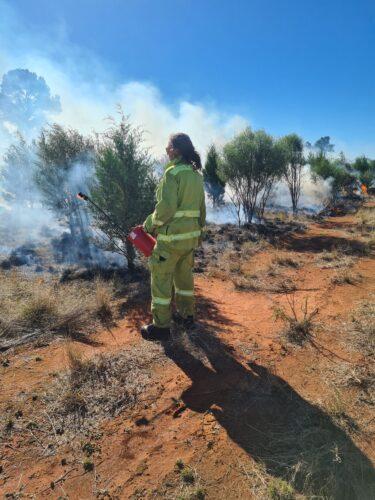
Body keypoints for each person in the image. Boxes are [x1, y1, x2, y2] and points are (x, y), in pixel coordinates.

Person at [141, 133, 206, 341]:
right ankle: (187, 317)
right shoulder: (196, 175)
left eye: (168, 146)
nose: (166, 149)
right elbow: (201, 210)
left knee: (161, 282)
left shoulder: (172, 174)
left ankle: (161, 327)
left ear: (176, 150)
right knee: (184, 281)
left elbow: (166, 209)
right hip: (189, 240)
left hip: (170, 242)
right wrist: (198, 234)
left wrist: (148, 225)